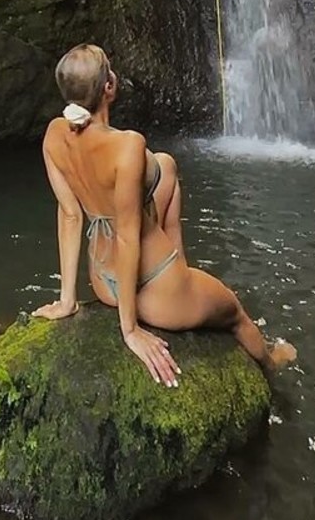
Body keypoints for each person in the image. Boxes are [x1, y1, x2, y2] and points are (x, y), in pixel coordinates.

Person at [33, 43, 297, 387]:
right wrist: (130, 330)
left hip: (102, 279)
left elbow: (70, 216)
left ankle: (181, 268)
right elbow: (128, 237)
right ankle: (270, 361)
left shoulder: (55, 134)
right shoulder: (128, 145)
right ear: (109, 86)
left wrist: (67, 300)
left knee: (166, 166)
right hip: (155, 288)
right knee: (234, 312)